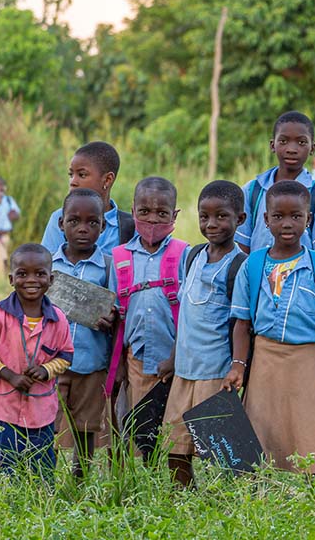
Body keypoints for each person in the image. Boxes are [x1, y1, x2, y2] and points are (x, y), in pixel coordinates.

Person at [225, 180, 315, 475]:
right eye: (278, 217)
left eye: (296, 216)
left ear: (309, 220)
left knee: (311, 429)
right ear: (265, 220)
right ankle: (253, 496)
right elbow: (242, 322)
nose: (287, 224)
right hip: (264, 357)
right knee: (258, 427)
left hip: (307, 359)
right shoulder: (252, 265)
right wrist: (239, 365)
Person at [163, 180, 247, 487]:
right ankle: (183, 495)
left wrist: (237, 366)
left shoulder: (239, 266)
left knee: (227, 452)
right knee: (176, 443)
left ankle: (235, 502)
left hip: (215, 371)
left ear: (240, 219)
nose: (211, 224)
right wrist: (173, 358)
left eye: (221, 216)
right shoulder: (192, 256)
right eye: (204, 216)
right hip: (184, 370)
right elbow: (185, 313)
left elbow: (241, 322)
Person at [0, 244, 73, 482]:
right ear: (11, 278)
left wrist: (45, 370)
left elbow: (66, 357)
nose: (31, 280)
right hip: (3, 405)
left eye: (39, 274)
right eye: (22, 274)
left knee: (42, 465)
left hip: (41, 409)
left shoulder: (58, 319)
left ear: (51, 279)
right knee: (1, 464)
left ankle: (40, 499)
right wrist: (10, 376)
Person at [102, 177, 190, 411]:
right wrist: (118, 363)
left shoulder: (185, 254)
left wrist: (174, 358)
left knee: (173, 428)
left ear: (174, 215)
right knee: (138, 428)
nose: (152, 219)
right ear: (132, 211)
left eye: (162, 213)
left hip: (178, 358)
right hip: (136, 361)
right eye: (144, 211)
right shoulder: (120, 258)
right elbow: (117, 317)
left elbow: (191, 313)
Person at [51, 189, 116, 479]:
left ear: (103, 227)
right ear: (61, 224)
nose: (82, 228)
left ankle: (81, 476)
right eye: (74, 221)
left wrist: (111, 319)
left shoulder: (107, 266)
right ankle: (43, 475)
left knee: (86, 426)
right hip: (51, 363)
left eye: (92, 222)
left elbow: (116, 309)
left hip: (91, 361)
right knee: (46, 422)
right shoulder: (48, 268)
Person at [236, 111, 315, 257]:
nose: (292, 149)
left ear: (312, 148)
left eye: (301, 142)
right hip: (258, 278)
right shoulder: (252, 190)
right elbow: (242, 249)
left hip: (303, 278)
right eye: (283, 141)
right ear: (273, 145)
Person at [41, 142, 134, 256]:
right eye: (71, 175)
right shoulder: (60, 218)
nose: (73, 182)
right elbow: (47, 265)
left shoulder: (128, 226)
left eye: (82, 175)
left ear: (107, 180)